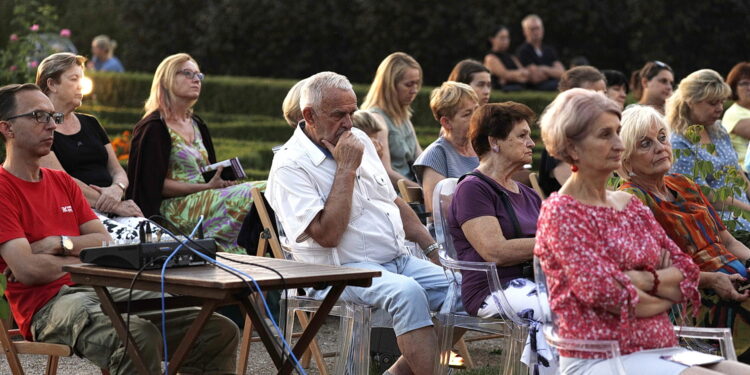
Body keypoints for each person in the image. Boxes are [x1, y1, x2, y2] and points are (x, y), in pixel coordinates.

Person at [0, 83, 238, 374]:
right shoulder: (3, 188)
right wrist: (83, 254)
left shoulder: (61, 181)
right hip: (48, 305)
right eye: (39, 116)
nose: (52, 125)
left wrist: (58, 243)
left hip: (103, 288)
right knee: (137, 337)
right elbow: (29, 271)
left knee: (217, 330)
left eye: (54, 117)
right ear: (7, 129)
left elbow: (102, 240)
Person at [535, 88, 748, 374]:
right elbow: (608, 295)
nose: (619, 144)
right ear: (572, 148)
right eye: (604, 135)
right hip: (604, 355)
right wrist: (660, 283)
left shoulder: (627, 204)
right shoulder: (563, 211)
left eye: (618, 133)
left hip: (662, 349)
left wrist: (637, 279)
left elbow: (684, 270)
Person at [267, 71, 457, 375]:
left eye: (352, 112)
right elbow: (327, 235)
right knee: (407, 293)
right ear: (309, 115)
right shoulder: (289, 164)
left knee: (462, 288)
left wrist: (433, 249)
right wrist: (346, 169)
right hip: (337, 272)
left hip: (397, 260)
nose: (348, 122)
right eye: (339, 114)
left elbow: (394, 203)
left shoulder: (358, 142)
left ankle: (398, 372)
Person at [618, 105, 750, 359]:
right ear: (625, 158)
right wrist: (712, 279)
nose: (660, 147)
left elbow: (728, 241)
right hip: (691, 303)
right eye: (645, 144)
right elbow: (650, 273)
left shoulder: (683, 184)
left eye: (662, 137)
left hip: (734, 285)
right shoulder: (631, 199)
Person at [447, 102, 554, 370]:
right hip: (493, 289)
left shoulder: (527, 193)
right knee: (557, 309)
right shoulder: (473, 189)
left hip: (535, 282)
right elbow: (495, 251)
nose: (531, 143)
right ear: (494, 142)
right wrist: (557, 243)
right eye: (522, 135)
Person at [127, 53, 266, 254]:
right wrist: (204, 186)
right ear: (166, 79)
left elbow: (209, 171)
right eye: (187, 73)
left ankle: (262, 253)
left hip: (206, 198)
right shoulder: (153, 127)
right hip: (175, 209)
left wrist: (220, 181)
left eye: (199, 75)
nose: (196, 80)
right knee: (259, 192)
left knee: (268, 190)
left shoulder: (197, 124)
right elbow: (151, 185)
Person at [35, 52, 147, 242]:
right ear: (52, 84)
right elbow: (62, 182)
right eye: (74, 79)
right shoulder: (41, 127)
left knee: (159, 239)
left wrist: (117, 188)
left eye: (82, 78)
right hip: (76, 214)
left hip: (112, 206)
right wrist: (114, 205)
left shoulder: (91, 123)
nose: (81, 86)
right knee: (136, 242)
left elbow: (117, 170)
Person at [667, 69, 750, 232]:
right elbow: (704, 195)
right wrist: (747, 210)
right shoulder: (678, 142)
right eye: (713, 103)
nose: (720, 108)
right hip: (717, 221)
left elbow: (735, 170)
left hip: (742, 211)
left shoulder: (717, 129)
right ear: (690, 101)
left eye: (721, 102)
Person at [538, 66, 606, 197]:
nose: (602, 101)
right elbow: (576, 189)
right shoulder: (561, 139)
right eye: (591, 96)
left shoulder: (598, 133)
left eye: (603, 94)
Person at [414, 82, 479, 213]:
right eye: (467, 114)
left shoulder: (481, 147)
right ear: (446, 122)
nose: (476, 118)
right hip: (453, 231)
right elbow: (438, 210)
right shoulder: (435, 155)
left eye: (477, 110)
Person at [362, 52, 423, 188]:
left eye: (417, 84)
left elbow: (421, 159)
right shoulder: (376, 119)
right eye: (409, 84)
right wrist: (422, 190)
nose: (415, 90)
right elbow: (386, 172)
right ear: (389, 85)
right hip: (396, 197)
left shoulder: (403, 116)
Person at [516, 14, 565, 91]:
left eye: (538, 28)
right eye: (532, 29)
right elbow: (535, 78)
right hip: (536, 89)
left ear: (542, 30)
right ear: (524, 32)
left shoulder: (549, 50)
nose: (536, 32)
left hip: (554, 84)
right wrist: (552, 72)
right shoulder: (523, 51)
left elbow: (562, 73)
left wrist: (543, 69)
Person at [483, 25, 529, 92]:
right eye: (502, 38)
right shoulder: (490, 58)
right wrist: (518, 75)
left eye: (507, 38)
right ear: (492, 39)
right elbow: (505, 75)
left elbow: (526, 74)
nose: (505, 41)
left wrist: (510, 76)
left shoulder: (512, 57)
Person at [723, 62, 750, 170]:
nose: (749, 87)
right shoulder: (732, 113)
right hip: (745, 173)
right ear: (734, 88)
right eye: (744, 83)